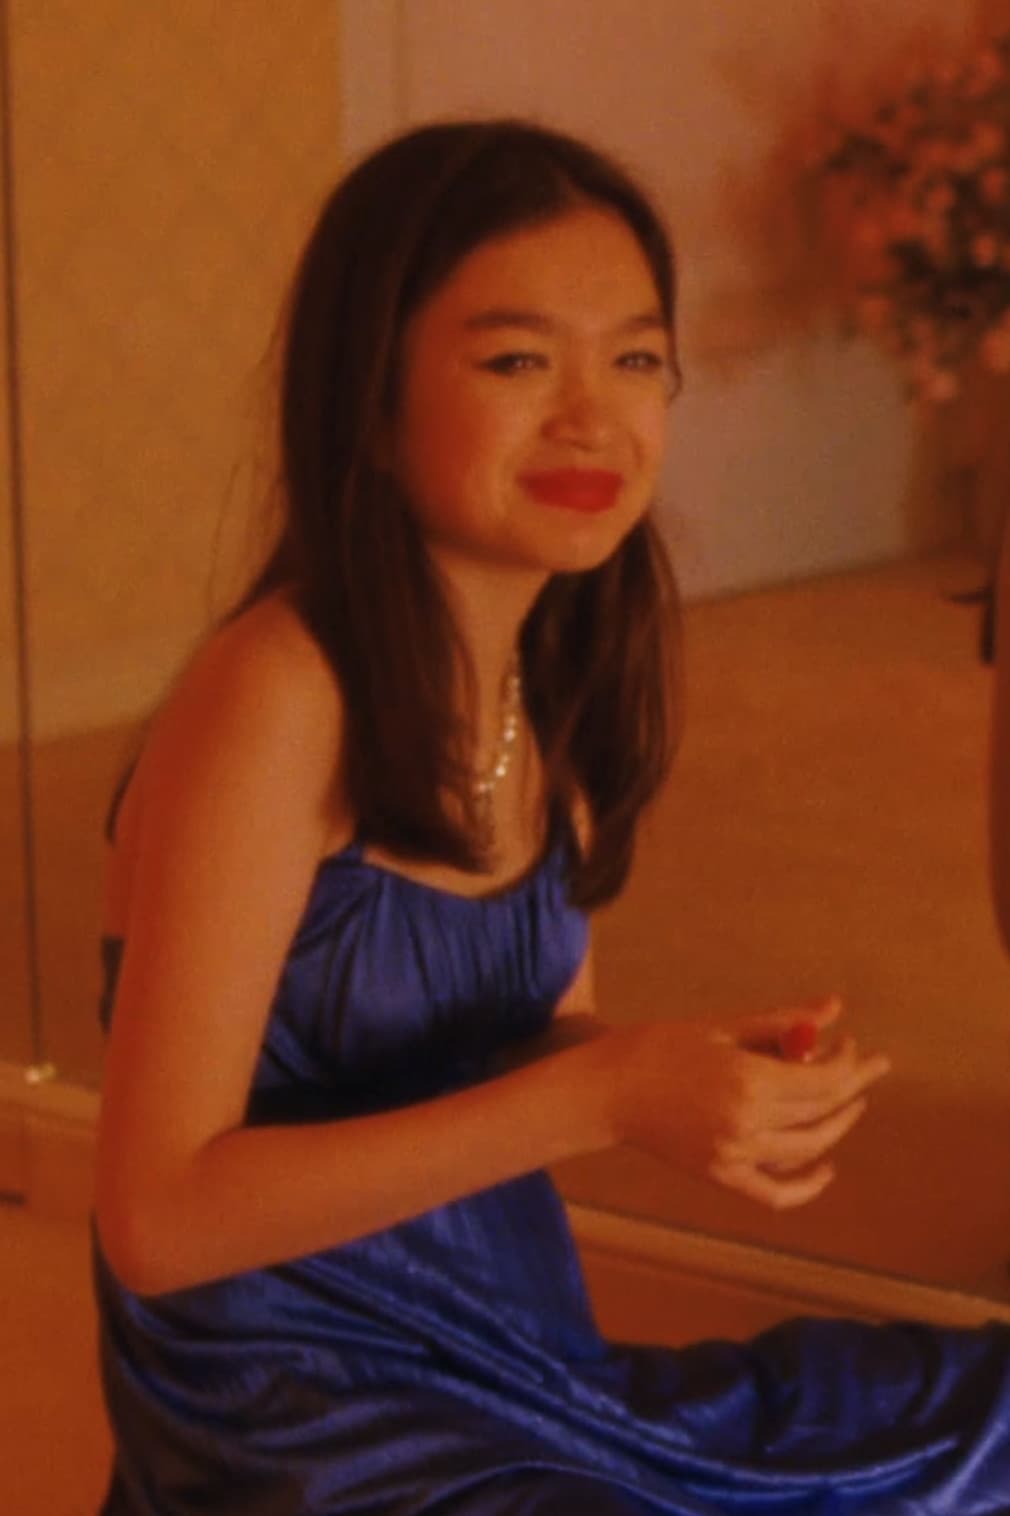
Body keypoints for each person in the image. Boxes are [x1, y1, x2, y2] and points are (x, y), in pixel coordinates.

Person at [93, 118, 1010, 1514]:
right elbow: (156, 1223)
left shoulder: (545, 678)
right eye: (517, 362)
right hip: (298, 1420)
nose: (593, 418)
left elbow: (516, 1049)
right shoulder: (278, 692)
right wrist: (604, 1092)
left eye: (634, 360)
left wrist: (687, 1079)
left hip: (511, 1358)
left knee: (977, 1428)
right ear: (371, 403)